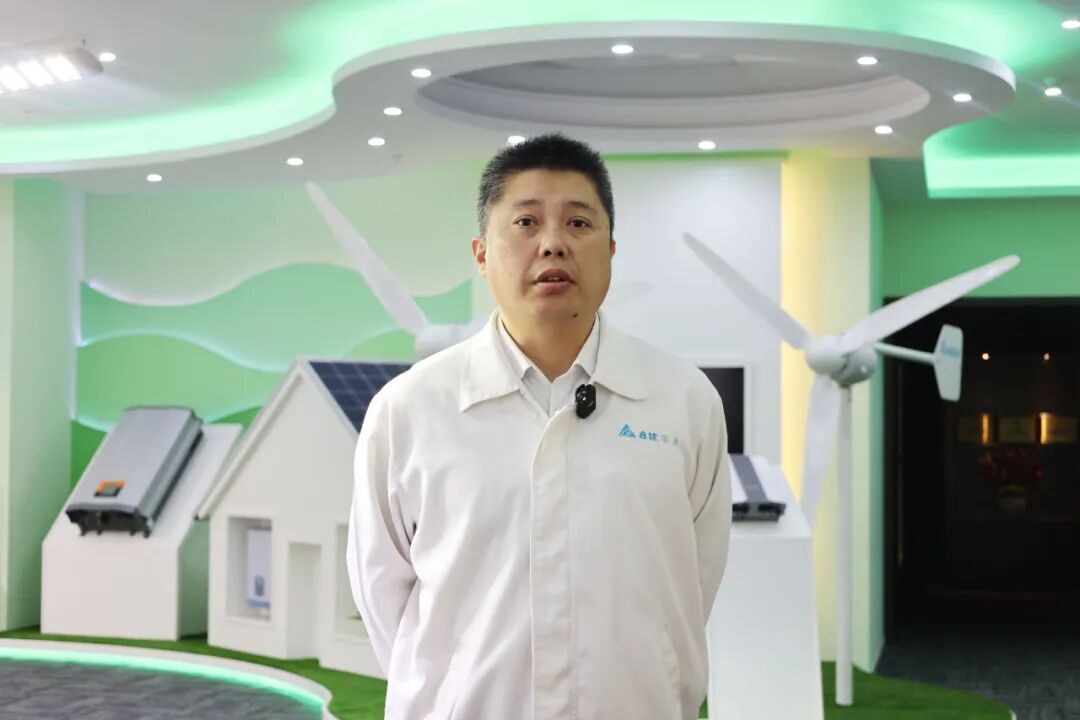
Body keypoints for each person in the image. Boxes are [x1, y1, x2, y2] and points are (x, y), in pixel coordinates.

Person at [346, 133, 732, 720]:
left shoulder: (683, 401)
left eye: (579, 223)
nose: (553, 243)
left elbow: (692, 585)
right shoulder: (409, 410)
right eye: (526, 222)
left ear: (611, 249)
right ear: (482, 254)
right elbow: (384, 595)